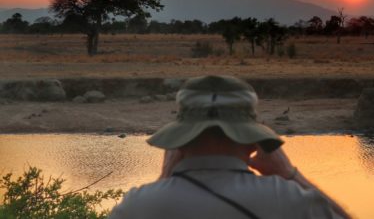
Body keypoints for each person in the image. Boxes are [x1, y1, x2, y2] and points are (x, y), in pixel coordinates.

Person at [109, 75, 350, 219]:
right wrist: (289, 173)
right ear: (252, 140)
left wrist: (164, 178)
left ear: (179, 141)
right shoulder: (287, 198)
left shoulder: (138, 205)